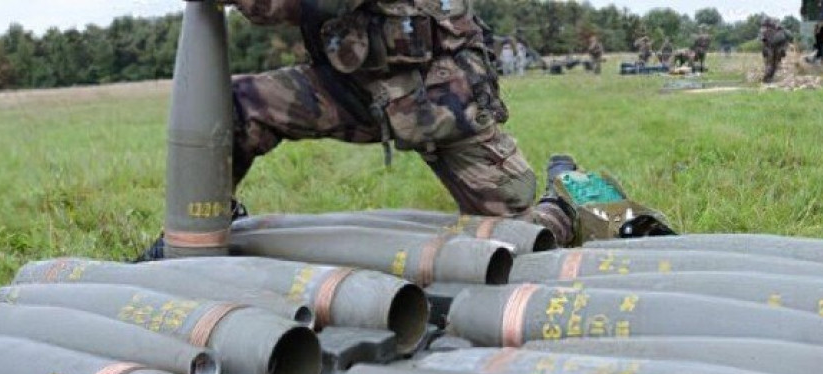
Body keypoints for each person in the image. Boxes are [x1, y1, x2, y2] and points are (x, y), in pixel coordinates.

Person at [217, 0, 572, 245]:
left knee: (517, 239)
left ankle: (560, 209)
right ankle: (205, 226)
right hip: (357, 86)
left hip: (441, 99)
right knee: (236, 107)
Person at [760, 18, 791, 83]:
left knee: (773, 65)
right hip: (771, 50)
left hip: (775, 50)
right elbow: (765, 41)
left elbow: (764, 41)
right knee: (771, 65)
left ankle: (769, 78)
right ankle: (767, 78)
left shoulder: (778, 31)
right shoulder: (767, 31)